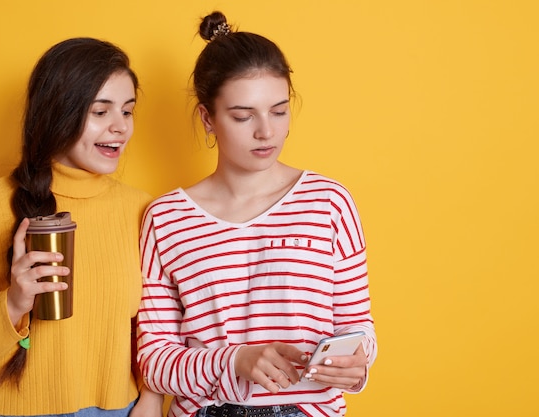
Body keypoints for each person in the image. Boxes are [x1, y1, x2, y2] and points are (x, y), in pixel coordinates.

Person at [136, 11, 377, 417]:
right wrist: (235, 361)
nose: (266, 131)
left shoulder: (329, 202)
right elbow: (154, 362)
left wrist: (355, 365)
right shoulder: (165, 218)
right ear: (207, 119)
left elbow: (359, 328)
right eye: (243, 116)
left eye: (279, 111)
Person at [0, 37, 163, 417]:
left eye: (127, 111)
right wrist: (13, 303)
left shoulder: (141, 210)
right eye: (100, 112)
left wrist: (150, 398)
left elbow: (156, 328)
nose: (120, 128)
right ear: (58, 113)